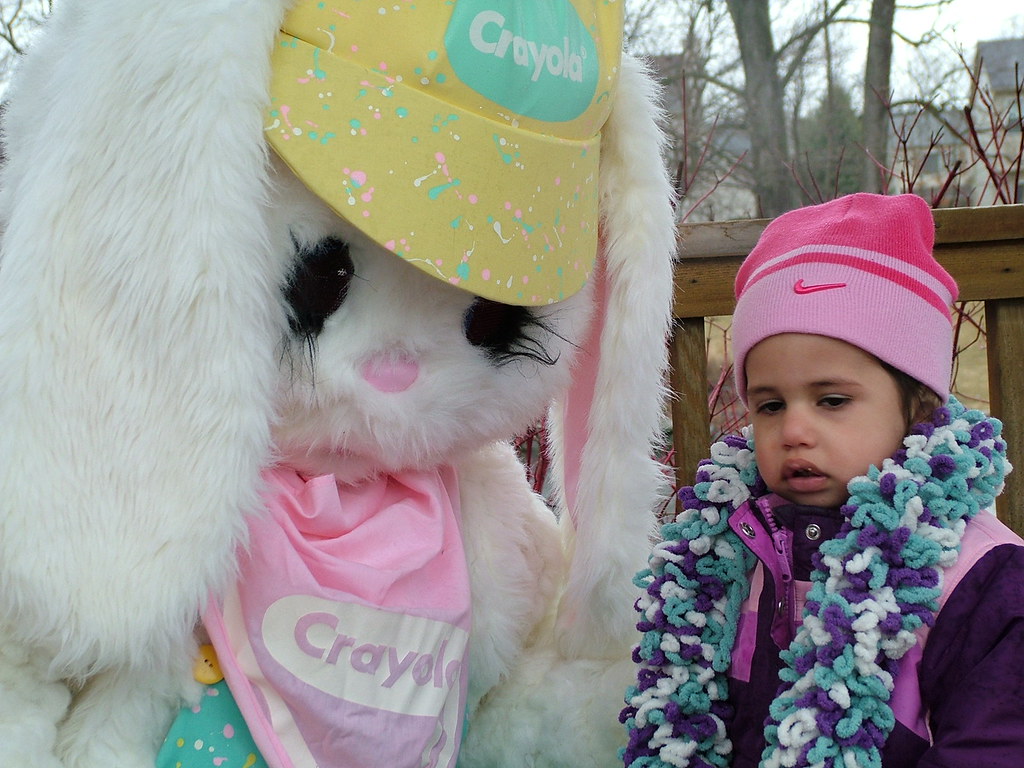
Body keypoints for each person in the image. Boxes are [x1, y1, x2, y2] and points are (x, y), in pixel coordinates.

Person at [622, 193, 1024, 768]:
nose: (793, 431)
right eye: (770, 405)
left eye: (832, 400)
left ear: (918, 406)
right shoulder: (726, 557)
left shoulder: (980, 577)